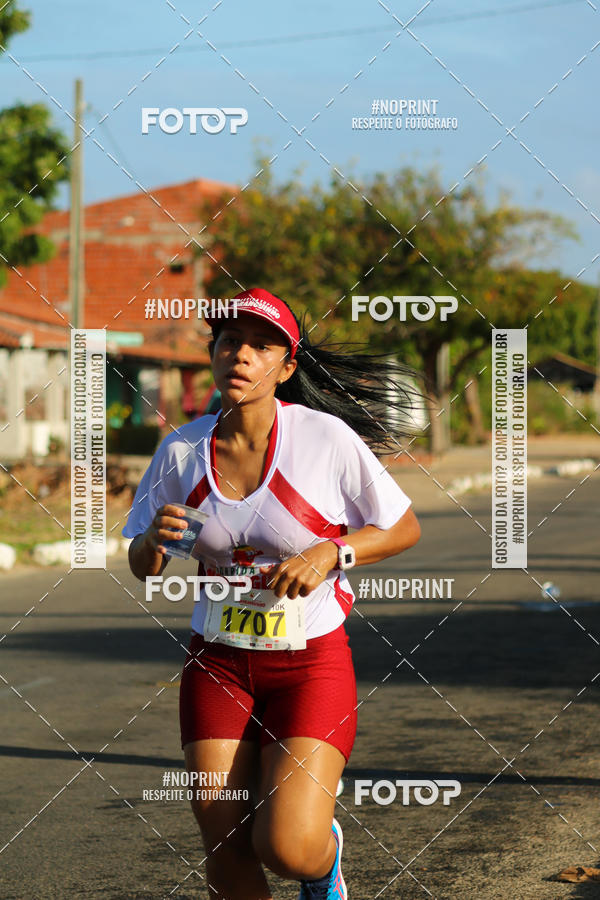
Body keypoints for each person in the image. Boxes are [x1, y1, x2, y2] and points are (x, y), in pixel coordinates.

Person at [123, 287, 421, 900]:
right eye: (230, 342)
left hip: (310, 665)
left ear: (286, 368)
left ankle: (324, 860)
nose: (241, 355)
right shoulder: (182, 450)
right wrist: (152, 539)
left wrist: (330, 552)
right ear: (214, 354)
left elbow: (402, 527)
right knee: (224, 844)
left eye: (262, 347)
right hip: (218, 664)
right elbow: (144, 567)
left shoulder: (324, 439)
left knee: (286, 846)